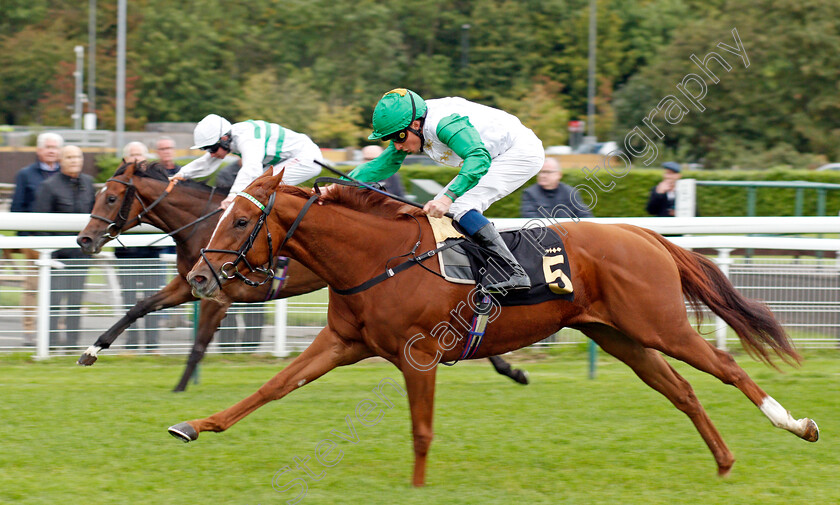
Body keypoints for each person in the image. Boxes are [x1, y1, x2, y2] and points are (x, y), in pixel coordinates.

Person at [339, 88, 545, 292]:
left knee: (458, 205)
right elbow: (383, 164)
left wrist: (448, 198)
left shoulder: (444, 124)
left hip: (519, 152)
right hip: (493, 154)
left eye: (398, 137)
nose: (397, 145)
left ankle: (514, 272)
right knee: (441, 212)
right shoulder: (412, 124)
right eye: (391, 139)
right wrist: (337, 186)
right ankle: (477, 272)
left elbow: (478, 158)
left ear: (416, 124)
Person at [173, 114, 323, 208]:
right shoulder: (231, 136)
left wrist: (232, 195)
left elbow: (251, 167)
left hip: (307, 158)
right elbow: (205, 163)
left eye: (211, 149)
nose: (211, 154)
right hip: (291, 157)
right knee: (257, 186)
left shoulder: (247, 137)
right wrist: (178, 176)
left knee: (260, 185)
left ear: (224, 139)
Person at [34, 145, 95, 348]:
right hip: (57, 257)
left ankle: (71, 344)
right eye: (69, 157)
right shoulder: (49, 186)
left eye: (78, 156)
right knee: (54, 302)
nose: (74, 160)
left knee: (75, 302)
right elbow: (40, 224)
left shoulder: (88, 183)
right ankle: (49, 343)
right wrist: (50, 253)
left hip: (81, 255)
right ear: (60, 160)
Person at [10, 132, 64, 342]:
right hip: (34, 240)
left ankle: (58, 327)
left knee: (59, 288)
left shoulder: (66, 175)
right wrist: (25, 238)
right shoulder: (26, 175)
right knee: (32, 287)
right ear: (39, 150)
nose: (51, 151)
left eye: (55, 147)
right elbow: (17, 208)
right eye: (48, 147)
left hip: (59, 240)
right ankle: (29, 330)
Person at [114, 142, 166, 351]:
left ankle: (152, 343)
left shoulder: (156, 180)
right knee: (128, 298)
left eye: (140, 155)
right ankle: (132, 343)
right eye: (132, 155)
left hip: (151, 250)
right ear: (125, 160)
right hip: (126, 251)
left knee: (153, 298)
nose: (136, 159)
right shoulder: (118, 181)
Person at [520, 157, 593, 218]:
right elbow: (530, 217)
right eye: (540, 172)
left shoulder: (570, 192)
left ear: (559, 174)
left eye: (547, 172)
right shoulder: (530, 193)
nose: (542, 175)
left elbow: (584, 215)